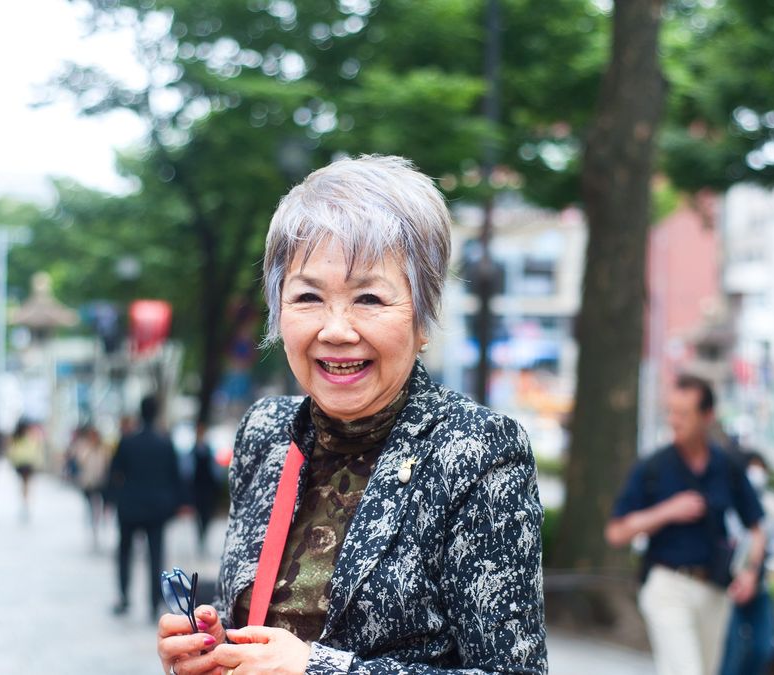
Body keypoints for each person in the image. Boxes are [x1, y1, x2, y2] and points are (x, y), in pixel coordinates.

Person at [157, 156, 547, 675]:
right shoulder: (266, 433)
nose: (336, 330)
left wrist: (318, 669)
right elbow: (271, 631)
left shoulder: (477, 451)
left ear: (422, 318)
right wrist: (219, 649)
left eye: (368, 298)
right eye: (308, 297)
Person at [606, 374, 766, 675]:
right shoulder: (653, 467)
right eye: (671, 412)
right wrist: (666, 512)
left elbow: (756, 528)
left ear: (707, 416)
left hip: (715, 590)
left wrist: (750, 572)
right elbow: (616, 532)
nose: (674, 421)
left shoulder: (727, 466)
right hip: (667, 585)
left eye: (683, 413)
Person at [109, 395, 184, 620]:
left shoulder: (127, 441)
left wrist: (115, 499)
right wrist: (175, 505)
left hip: (130, 507)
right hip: (156, 508)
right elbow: (176, 477)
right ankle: (154, 602)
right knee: (156, 555)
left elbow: (114, 473)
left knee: (124, 552)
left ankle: (124, 597)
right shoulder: (165, 442)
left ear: (140, 412)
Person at [720, 452, 774, 675]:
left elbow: (767, 541)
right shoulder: (728, 503)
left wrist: (753, 573)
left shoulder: (771, 505)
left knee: (763, 648)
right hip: (730, 587)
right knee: (731, 651)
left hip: (758, 586)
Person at [68, 425, 110, 549]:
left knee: (98, 504)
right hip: (88, 482)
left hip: (100, 482)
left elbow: (107, 464)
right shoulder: (84, 447)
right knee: (90, 506)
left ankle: (98, 523)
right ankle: (93, 526)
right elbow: (79, 461)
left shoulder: (103, 449)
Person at [191, 422, 218, 553]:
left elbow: (214, 469)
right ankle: (200, 535)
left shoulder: (208, 449)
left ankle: (203, 534)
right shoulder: (193, 450)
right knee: (198, 513)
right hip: (197, 487)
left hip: (207, 487)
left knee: (206, 513)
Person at [7, 420, 43, 520]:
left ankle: (25, 502)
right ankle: (25, 502)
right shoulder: (28, 436)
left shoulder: (18, 437)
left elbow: (12, 450)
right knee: (26, 484)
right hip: (27, 463)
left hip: (22, 463)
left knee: (24, 484)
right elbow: (35, 450)